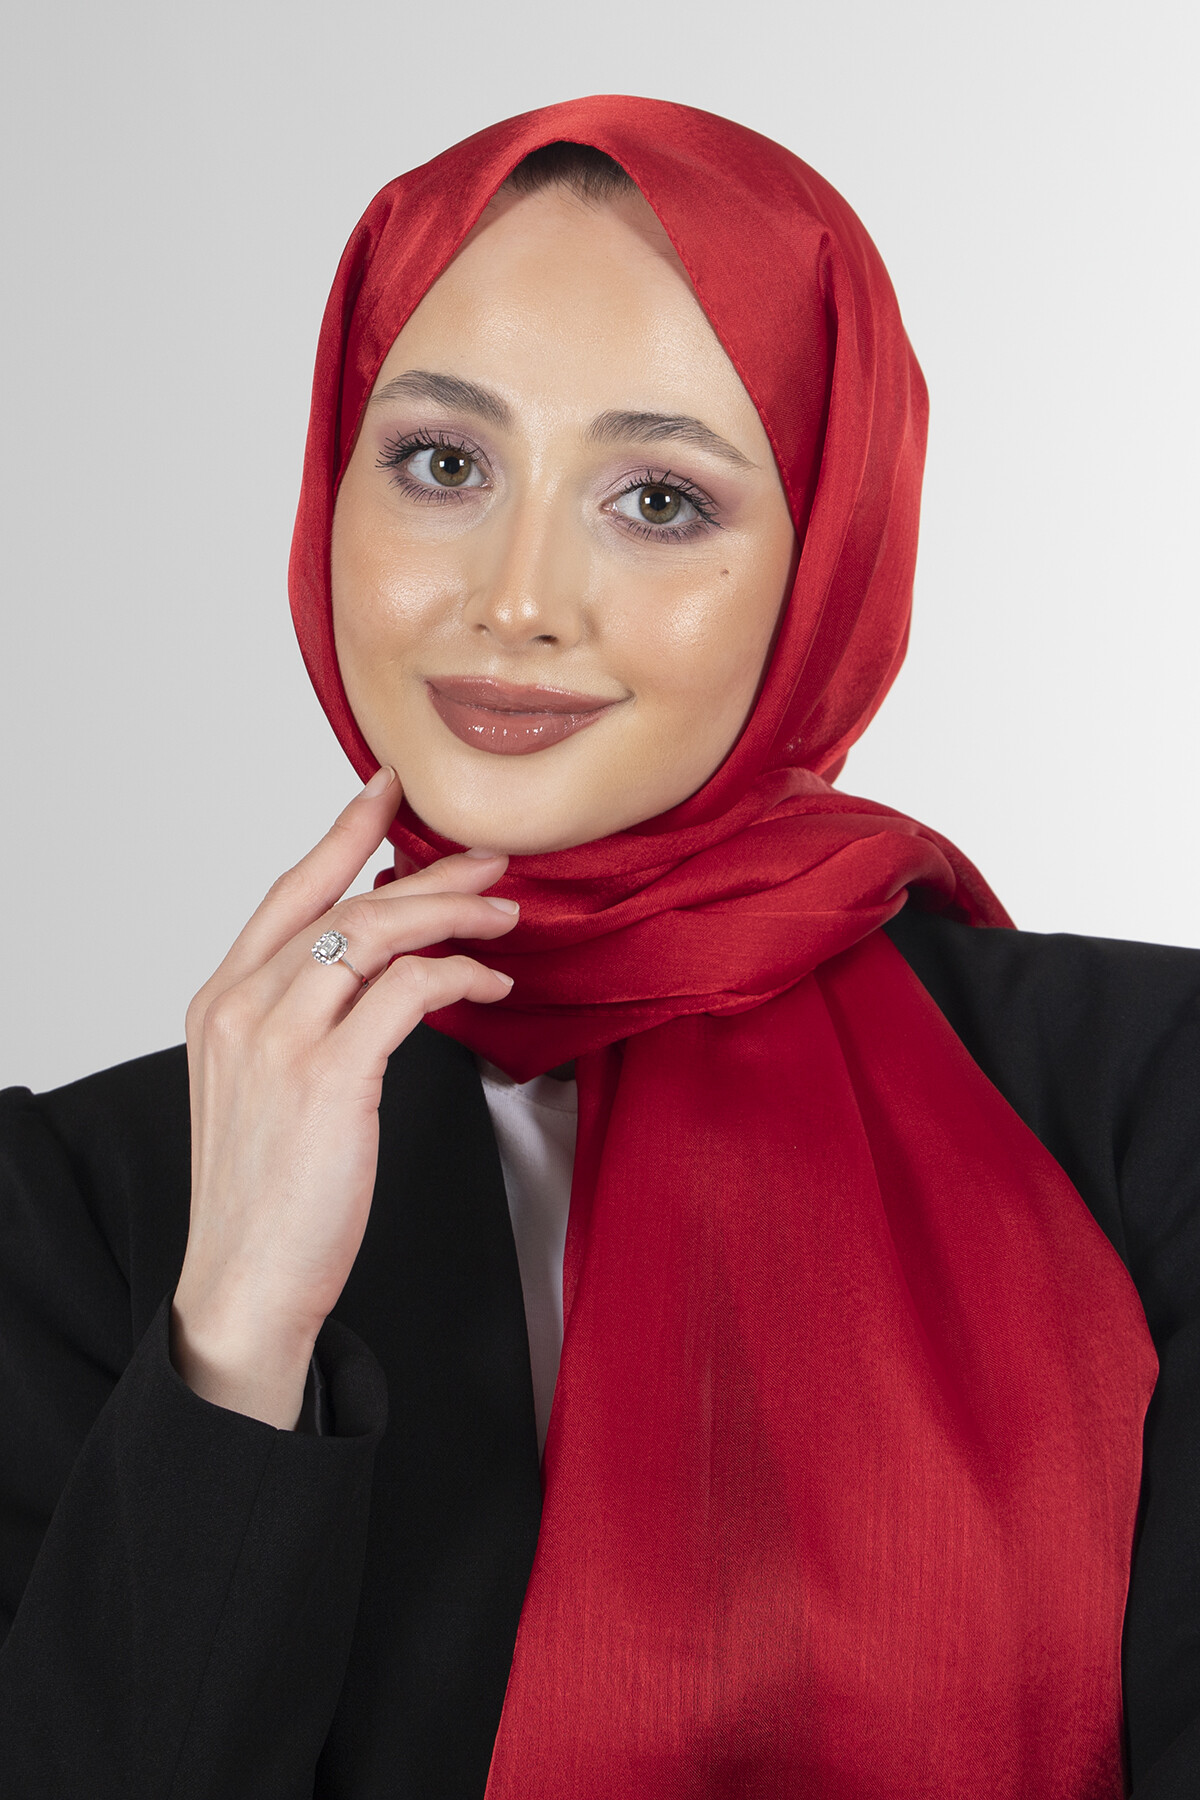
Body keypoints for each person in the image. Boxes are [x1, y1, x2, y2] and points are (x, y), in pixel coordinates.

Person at [0, 94, 1196, 1799]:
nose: (517, 597)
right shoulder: (79, 1207)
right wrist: (233, 1342)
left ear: (830, 557)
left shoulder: (1141, 1108)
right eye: (443, 464)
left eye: (658, 497)